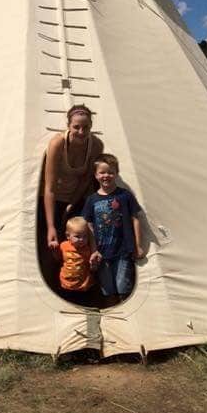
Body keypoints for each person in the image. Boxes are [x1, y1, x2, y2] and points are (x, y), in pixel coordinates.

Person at [43, 104, 103, 255]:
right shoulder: (57, 143)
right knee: (53, 244)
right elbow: (49, 188)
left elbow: (86, 178)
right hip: (54, 197)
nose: (81, 132)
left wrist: (71, 204)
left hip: (78, 196)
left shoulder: (95, 145)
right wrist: (51, 226)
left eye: (86, 127)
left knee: (79, 244)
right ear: (68, 126)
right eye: (76, 127)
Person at [82, 155, 144, 303]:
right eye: (102, 172)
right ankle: (112, 317)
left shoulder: (124, 196)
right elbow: (88, 225)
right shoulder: (92, 200)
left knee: (123, 286)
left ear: (116, 173)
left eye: (110, 172)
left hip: (123, 250)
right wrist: (94, 249)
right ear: (96, 175)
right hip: (102, 252)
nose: (106, 176)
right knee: (107, 288)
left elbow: (135, 219)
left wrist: (138, 245)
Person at [58, 216, 93, 294]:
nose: (82, 239)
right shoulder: (63, 246)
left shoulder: (87, 249)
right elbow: (58, 258)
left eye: (85, 236)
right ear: (68, 236)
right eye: (77, 236)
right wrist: (54, 250)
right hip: (66, 282)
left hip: (83, 284)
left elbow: (90, 264)